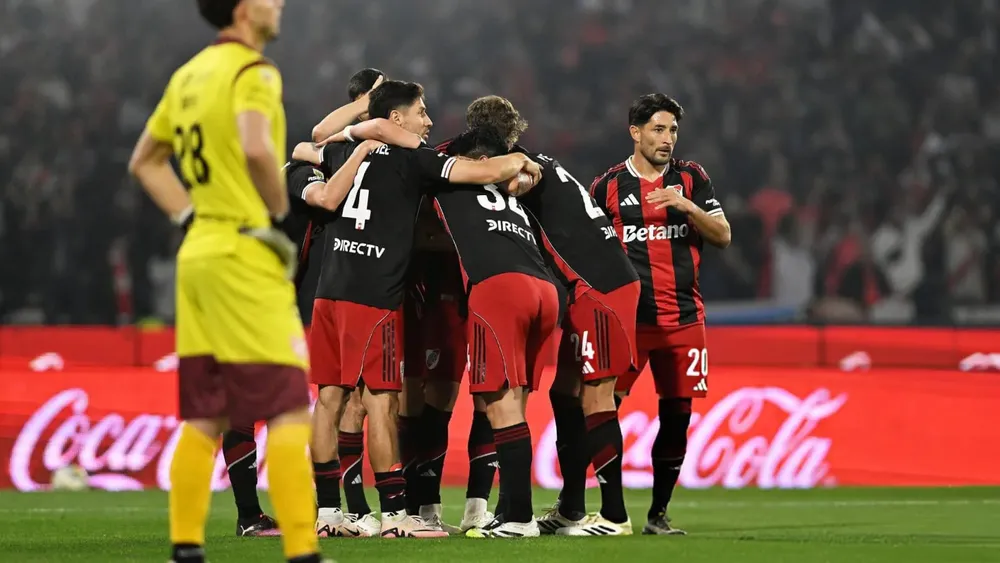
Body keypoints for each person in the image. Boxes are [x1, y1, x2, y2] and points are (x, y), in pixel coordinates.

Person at [127, 1, 326, 562]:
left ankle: (187, 549)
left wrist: (189, 216)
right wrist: (278, 215)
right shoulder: (252, 71)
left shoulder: (188, 75)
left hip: (200, 250)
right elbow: (257, 145)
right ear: (244, 10)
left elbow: (144, 160)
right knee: (289, 406)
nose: (279, 3)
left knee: (206, 411)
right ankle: (303, 552)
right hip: (245, 249)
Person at [306, 80, 542, 538]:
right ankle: (396, 515)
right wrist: (520, 162)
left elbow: (312, 142)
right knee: (381, 401)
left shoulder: (338, 152)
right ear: (398, 119)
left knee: (329, 399)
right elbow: (479, 174)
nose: (429, 122)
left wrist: (358, 125)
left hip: (328, 290)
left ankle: (329, 512)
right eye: (421, 112)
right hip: (376, 293)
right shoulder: (416, 160)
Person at [457, 95, 642, 536]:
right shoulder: (539, 161)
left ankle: (615, 515)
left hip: (598, 284)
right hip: (587, 286)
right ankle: (571, 509)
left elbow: (518, 180)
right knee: (565, 395)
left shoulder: (518, 165)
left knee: (596, 397)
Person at [219, 67, 387, 539]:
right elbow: (326, 184)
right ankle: (252, 514)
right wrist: (364, 128)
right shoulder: (298, 174)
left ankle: (297, 508)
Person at [590, 93, 731, 535]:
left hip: (684, 319)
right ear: (635, 132)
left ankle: (658, 513)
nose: (667, 139)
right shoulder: (607, 185)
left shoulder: (692, 179)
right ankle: (605, 507)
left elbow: (723, 235)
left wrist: (687, 207)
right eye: (657, 129)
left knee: (678, 416)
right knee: (603, 406)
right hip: (628, 322)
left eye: (672, 130)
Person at [429, 127, 561, 538]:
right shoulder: (510, 193)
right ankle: (508, 513)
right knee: (516, 404)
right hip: (545, 290)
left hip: (498, 287)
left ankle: (519, 518)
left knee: (497, 406)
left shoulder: (449, 180)